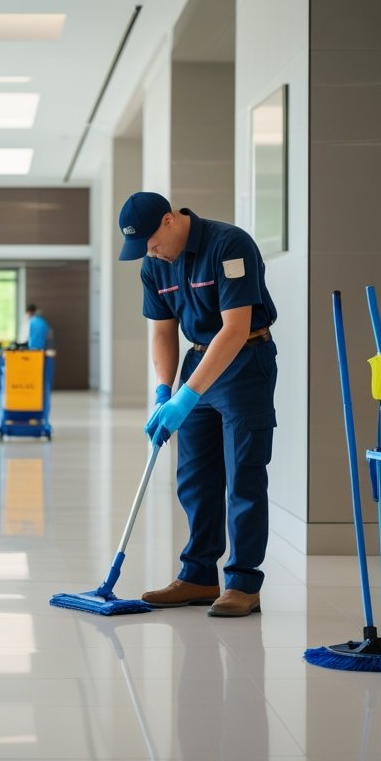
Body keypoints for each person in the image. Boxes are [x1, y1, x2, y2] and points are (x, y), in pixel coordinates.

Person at [117, 191, 277, 618]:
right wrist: (163, 392)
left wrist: (189, 394)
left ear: (169, 221)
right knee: (194, 477)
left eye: (151, 243)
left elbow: (236, 327)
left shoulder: (229, 244)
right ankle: (199, 576)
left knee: (243, 472)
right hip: (197, 359)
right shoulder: (154, 265)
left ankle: (243, 583)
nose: (150, 254)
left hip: (245, 360)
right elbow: (163, 333)